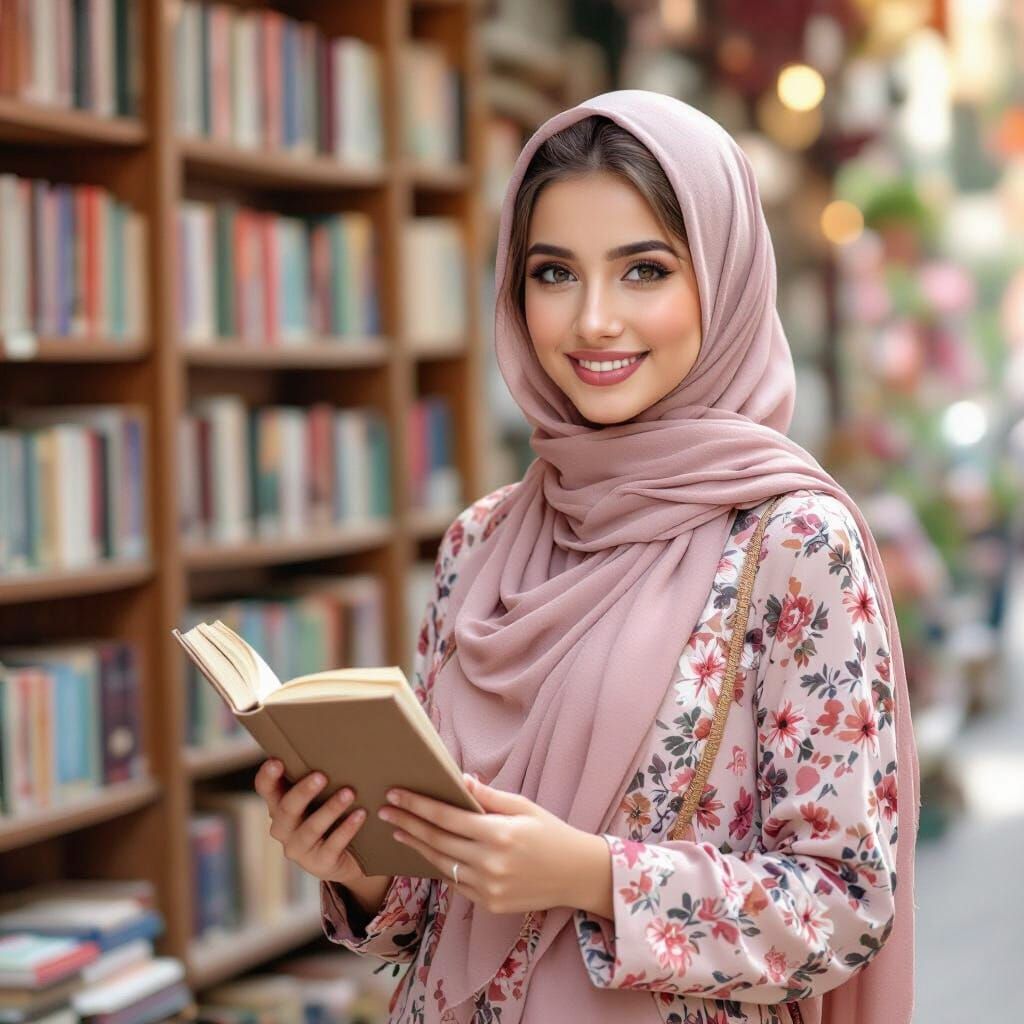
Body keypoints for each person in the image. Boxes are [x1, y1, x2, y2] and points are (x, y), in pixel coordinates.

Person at [253, 90, 919, 1024]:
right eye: (554, 273)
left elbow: (846, 904)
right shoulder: (482, 542)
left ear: (723, 280)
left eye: (644, 270)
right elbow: (431, 919)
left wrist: (591, 876)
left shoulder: (794, 543)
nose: (593, 320)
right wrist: (356, 867)